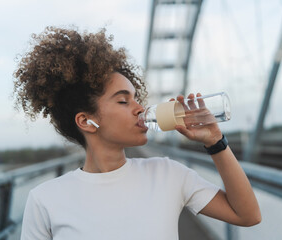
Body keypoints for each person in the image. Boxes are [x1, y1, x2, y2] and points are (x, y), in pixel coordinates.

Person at [14, 26, 261, 240]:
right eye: (123, 101)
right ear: (87, 121)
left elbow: (247, 215)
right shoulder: (45, 200)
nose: (140, 108)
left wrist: (216, 142)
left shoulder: (168, 173)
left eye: (136, 98)